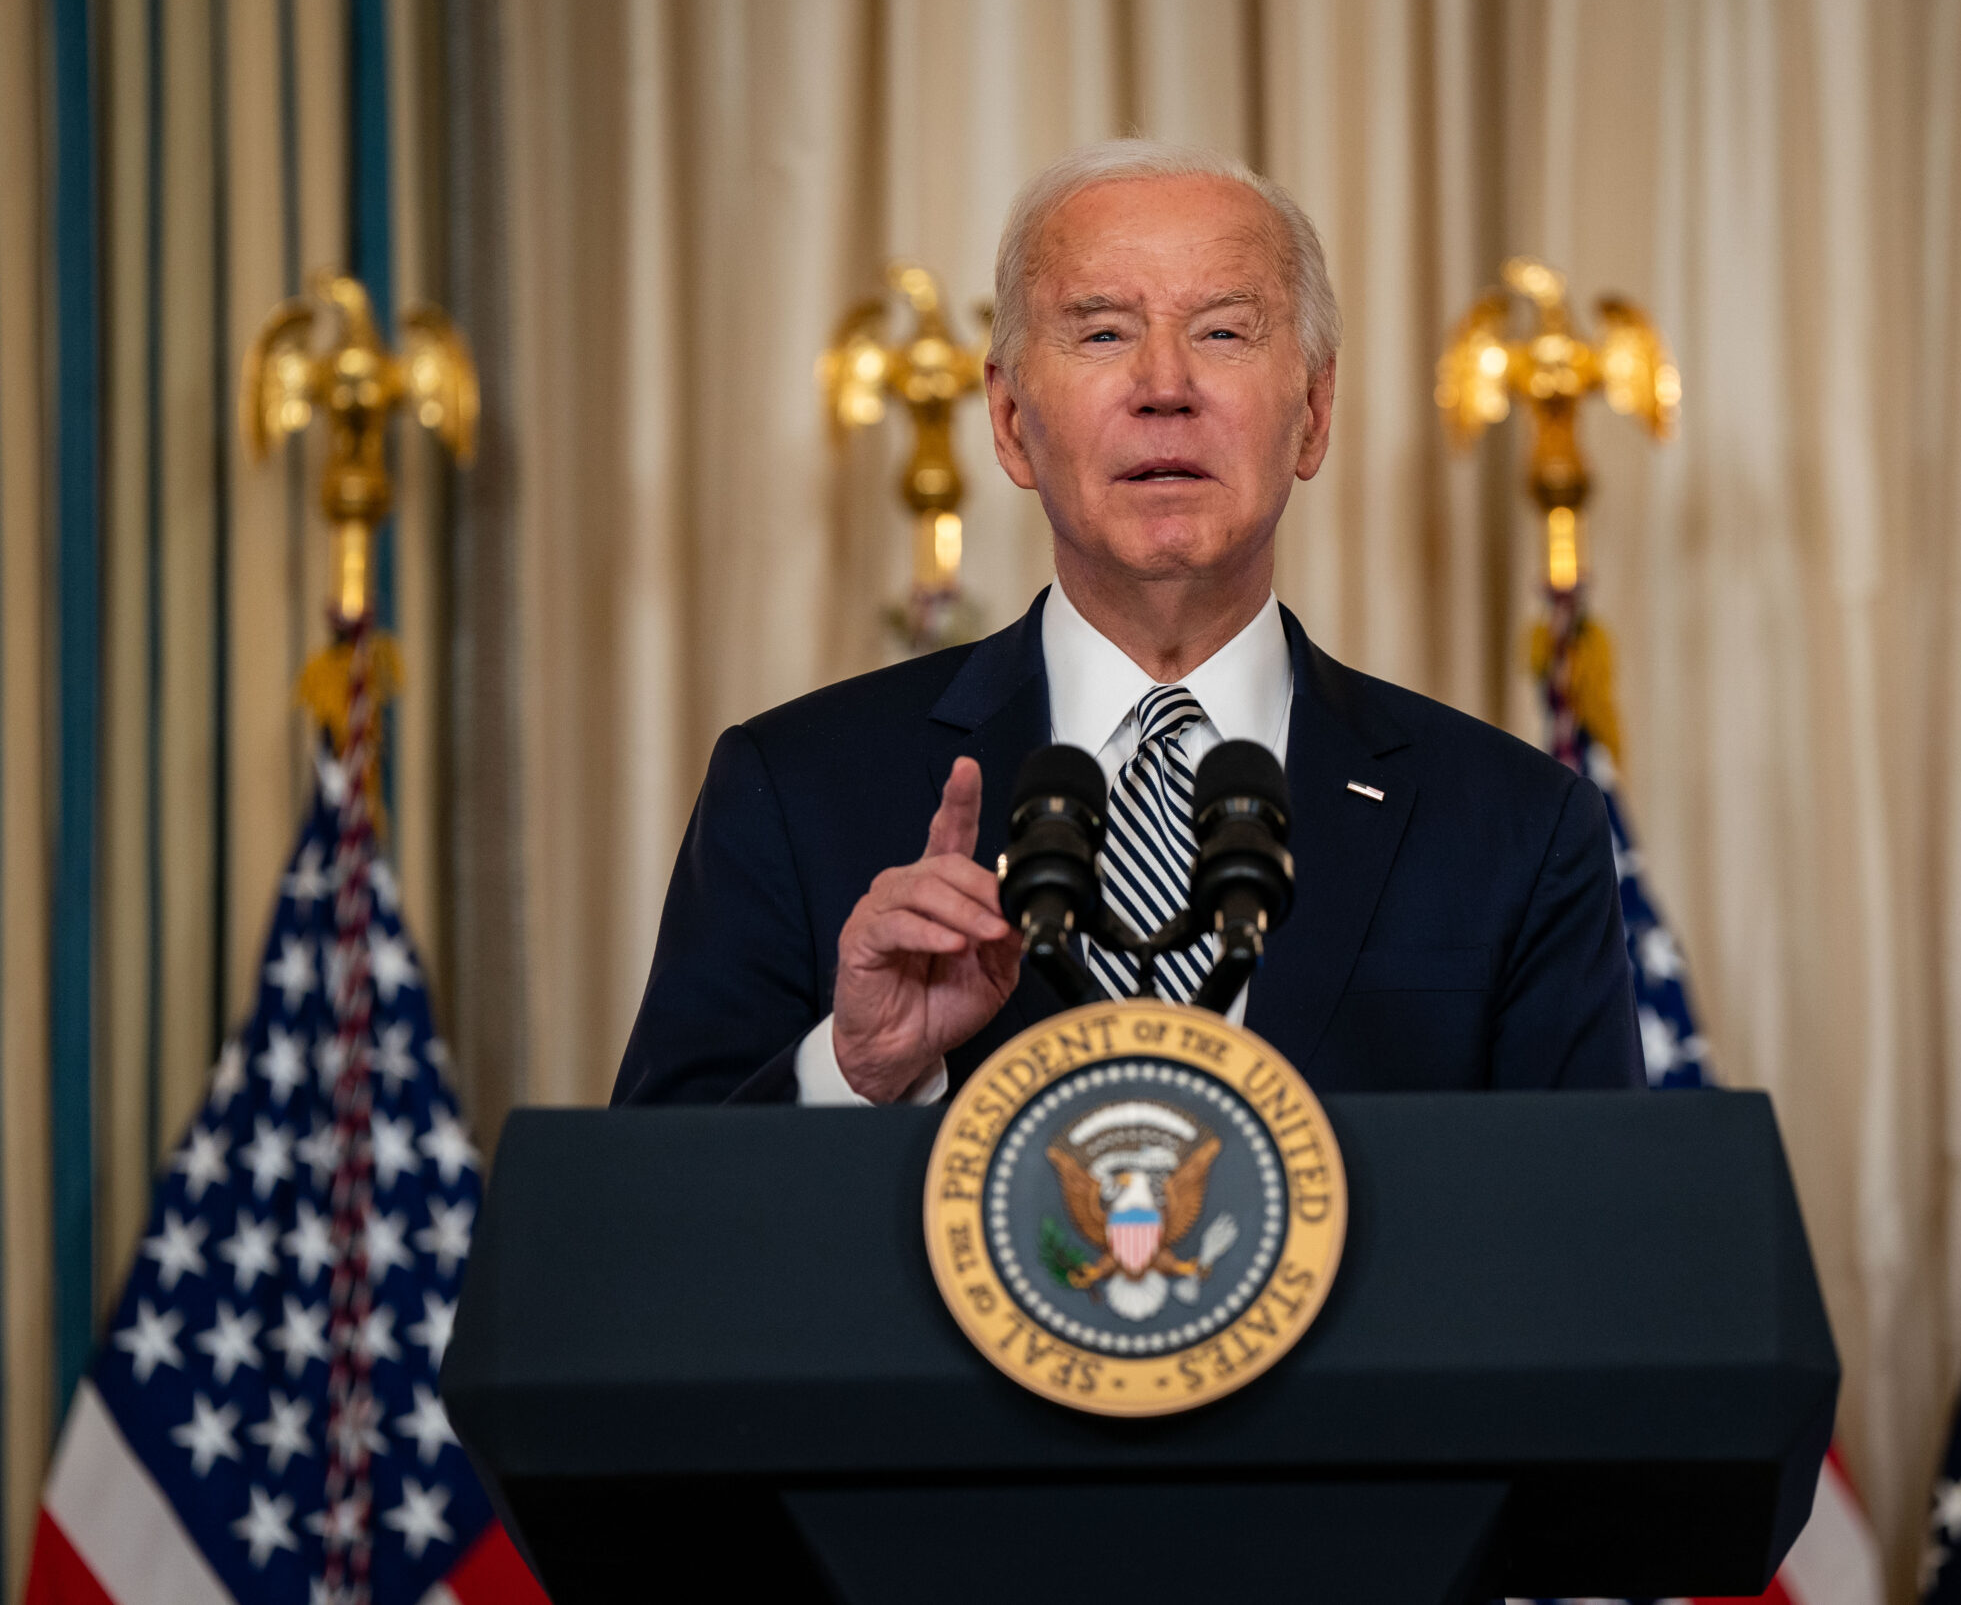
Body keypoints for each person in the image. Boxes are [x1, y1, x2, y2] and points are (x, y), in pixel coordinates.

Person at [611, 140, 1644, 1107]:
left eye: (1223, 332)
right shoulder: (794, 791)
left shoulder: (1514, 828)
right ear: (1011, 424)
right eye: (1103, 332)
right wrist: (854, 1067)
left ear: (1313, 415)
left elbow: (1583, 1244)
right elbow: (650, 1236)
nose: (1164, 387)